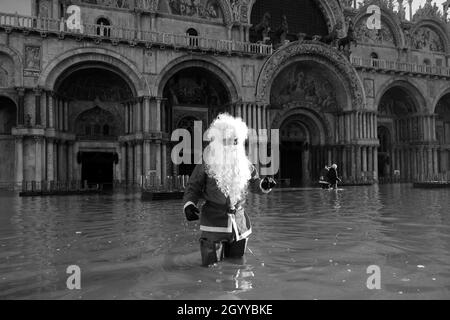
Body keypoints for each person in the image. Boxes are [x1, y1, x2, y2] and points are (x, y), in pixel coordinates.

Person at [183, 113, 276, 267]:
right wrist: (189, 205)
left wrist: (263, 185)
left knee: (237, 265)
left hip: (239, 225)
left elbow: (254, 183)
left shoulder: (245, 164)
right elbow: (193, 187)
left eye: (236, 140)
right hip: (213, 223)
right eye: (227, 140)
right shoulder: (206, 162)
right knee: (210, 268)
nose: (232, 144)